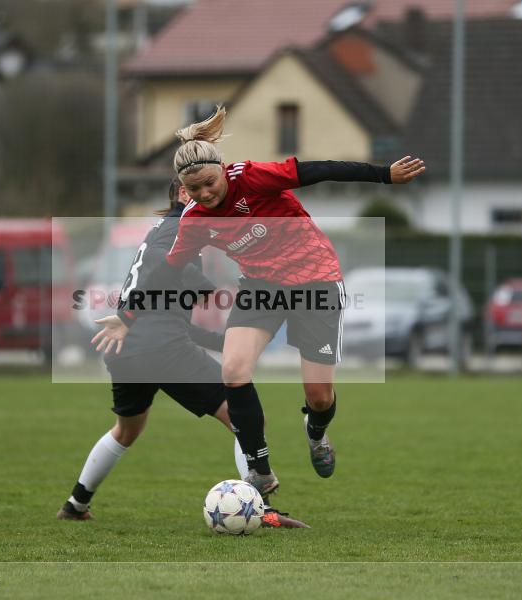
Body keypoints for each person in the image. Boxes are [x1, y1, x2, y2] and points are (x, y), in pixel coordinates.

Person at [93, 106, 425, 498]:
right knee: (233, 370)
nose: (204, 194)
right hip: (262, 286)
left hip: (315, 279)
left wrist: (384, 174)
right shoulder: (195, 220)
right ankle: (260, 472)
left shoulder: (252, 177)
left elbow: (321, 169)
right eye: (194, 189)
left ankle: (315, 430)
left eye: (209, 183)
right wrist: (126, 317)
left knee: (319, 396)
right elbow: (164, 271)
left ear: (221, 169)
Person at [58, 179, 308, 528]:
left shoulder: (174, 230)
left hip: (129, 348)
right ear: (183, 194)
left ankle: (75, 504)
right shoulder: (180, 228)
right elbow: (165, 269)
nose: (213, 194)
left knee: (126, 430)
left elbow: (174, 319)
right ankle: (261, 510)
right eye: (200, 187)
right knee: (246, 418)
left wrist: (224, 342)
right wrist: (201, 281)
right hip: (160, 346)